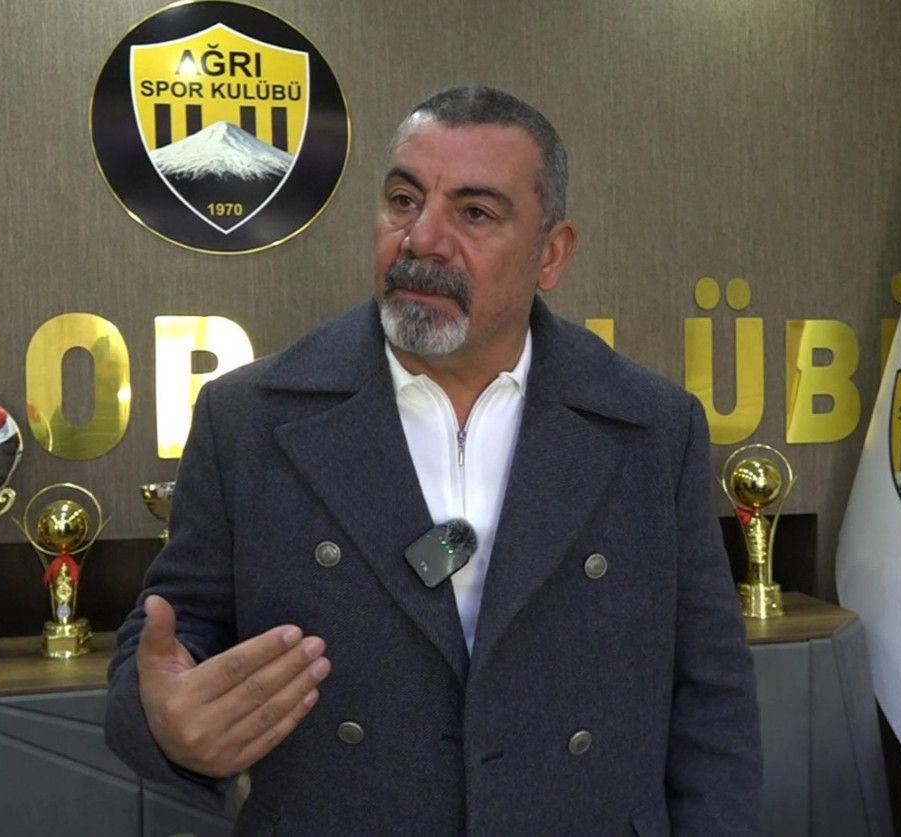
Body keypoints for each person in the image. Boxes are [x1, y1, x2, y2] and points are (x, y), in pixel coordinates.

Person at [106, 85, 761, 835]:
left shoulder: (652, 428)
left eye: (474, 213)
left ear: (551, 253)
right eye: (403, 200)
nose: (422, 239)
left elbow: (712, 699)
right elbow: (168, 645)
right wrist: (164, 723)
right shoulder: (251, 419)